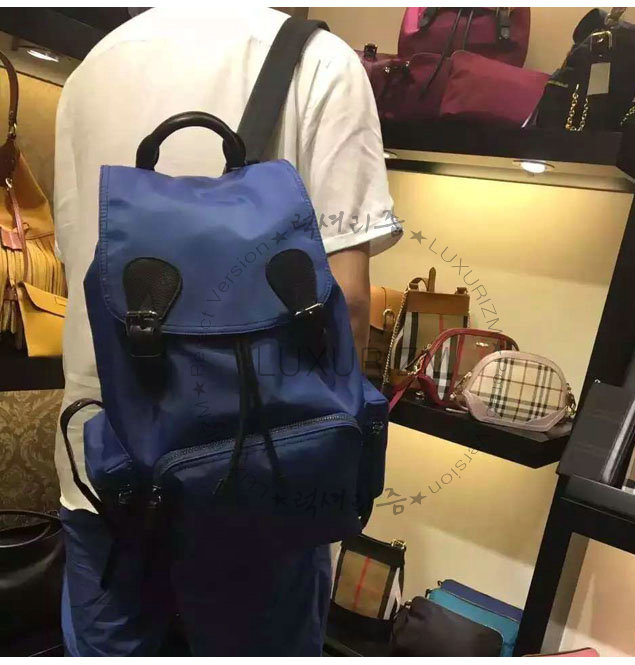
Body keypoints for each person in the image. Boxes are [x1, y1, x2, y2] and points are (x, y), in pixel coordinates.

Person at [54, 6, 400, 656]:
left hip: (107, 476)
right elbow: (349, 301)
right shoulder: (322, 63)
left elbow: (81, 263)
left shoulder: (92, 68)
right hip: (257, 487)